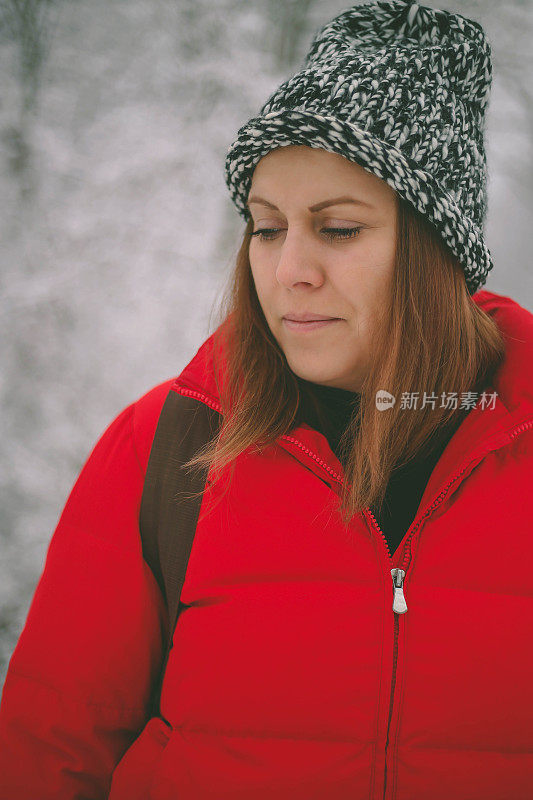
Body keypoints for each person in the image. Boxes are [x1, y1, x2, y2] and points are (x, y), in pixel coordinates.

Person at [0, 0, 532, 798]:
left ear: (434, 249)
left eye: (338, 229)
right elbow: (47, 753)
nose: (289, 271)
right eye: (266, 227)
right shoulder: (165, 447)